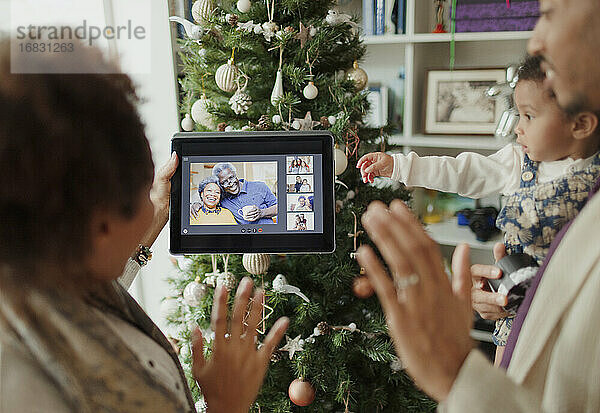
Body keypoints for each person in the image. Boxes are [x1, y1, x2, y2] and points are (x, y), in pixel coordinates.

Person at [0, 39, 288, 412]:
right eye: (142, 190)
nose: (151, 202)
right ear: (101, 225)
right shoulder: (23, 387)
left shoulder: (49, 276)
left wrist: (155, 215)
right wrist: (225, 404)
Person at [355, 0, 600, 410]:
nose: (518, 127)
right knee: (507, 372)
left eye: (551, 11)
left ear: (580, 125)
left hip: (563, 340)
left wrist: (454, 372)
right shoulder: (519, 160)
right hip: (513, 310)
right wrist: (399, 164)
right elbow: (461, 171)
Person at [211, 162, 278, 225]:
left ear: (235, 175)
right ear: (220, 185)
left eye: (231, 177)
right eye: (224, 182)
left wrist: (262, 213)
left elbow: (279, 208)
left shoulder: (260, 186)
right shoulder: (222, 199)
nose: (230, 184)